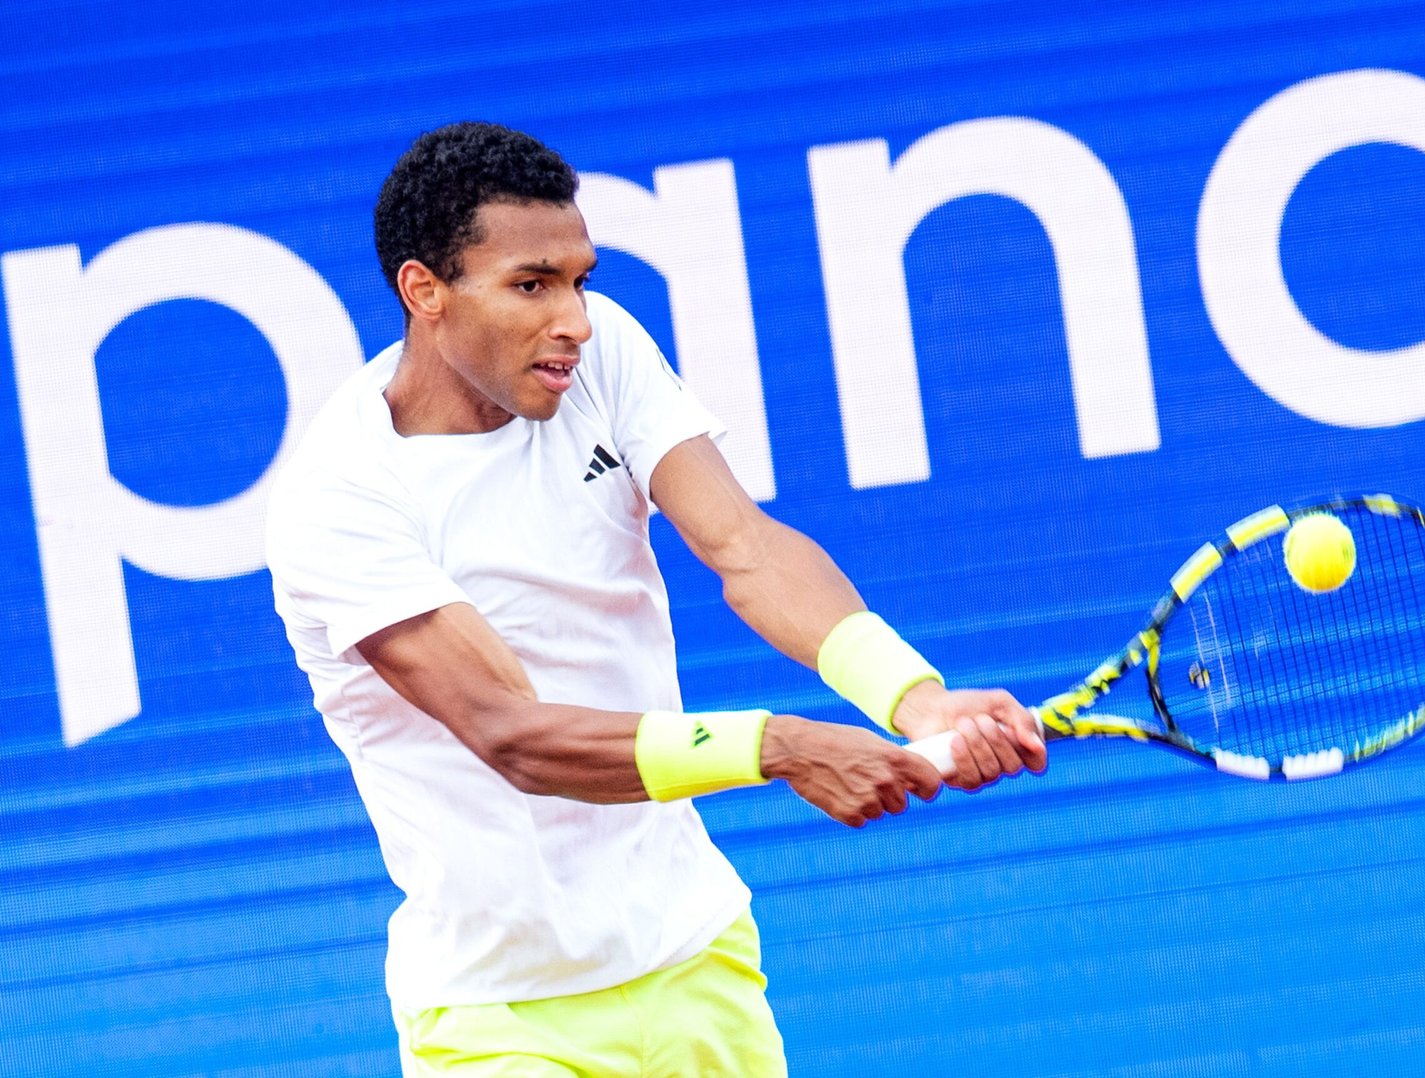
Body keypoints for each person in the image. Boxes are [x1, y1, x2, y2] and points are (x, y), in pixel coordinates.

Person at [265, 120, 1047, 1077]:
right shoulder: (339, 497)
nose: (575, 320)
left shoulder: (599, 360)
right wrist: (778, 745)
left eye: (578, 280)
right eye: (531, 285)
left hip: (696, 963)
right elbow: (512, 734)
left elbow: (745, 546)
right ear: (424, 290)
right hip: (498, 1021)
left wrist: (912, 697)